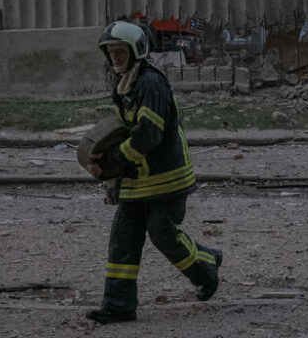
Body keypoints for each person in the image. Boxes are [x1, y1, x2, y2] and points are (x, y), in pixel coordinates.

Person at [85, 20, 222, 325]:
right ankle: (119, 305)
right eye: (111, 51)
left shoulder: (150, 84)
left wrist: (112, 162)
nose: (115, 57)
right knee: (123, 239)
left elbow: (148, 135)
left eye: (120, 51)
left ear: (136, 51)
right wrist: (110, 168)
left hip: (167, 179)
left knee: (163, 233)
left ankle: (207, 265)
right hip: (138, 180)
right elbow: (127, 132)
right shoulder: (125, 85)